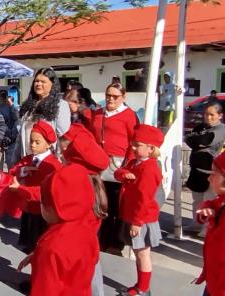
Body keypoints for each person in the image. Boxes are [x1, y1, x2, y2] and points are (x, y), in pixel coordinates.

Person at [17, 141, 107, 295]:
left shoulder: (52, 247)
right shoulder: (86, 232)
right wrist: (37, 255)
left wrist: (42, 255)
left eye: (43, 203)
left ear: (56, 208)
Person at [89, 82, 139, 256]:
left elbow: (134, 142)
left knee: (115, 205)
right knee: (98, 202)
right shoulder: (98, 113)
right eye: (108, 95)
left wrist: (128, 166)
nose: (110, 99)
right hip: (98, 164)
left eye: (115, 96)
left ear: (123, 97)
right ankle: (99, 238)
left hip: (117, 165)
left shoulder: (129, 115)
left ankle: (114, 242)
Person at [114, 124, 164, 296]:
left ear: (151, 149)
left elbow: (145, 198)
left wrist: (137, 222)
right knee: (138, 253)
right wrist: (122, 174)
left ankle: (143, 288)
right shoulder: (136, 162)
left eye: (137, 145)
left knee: (143, 254)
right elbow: (119, 172)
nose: (132, 147)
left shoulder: (149, 168)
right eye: (133, 144)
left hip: (141, 218)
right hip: (133, 215)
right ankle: (140, 285)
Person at [60, 123, 110, 296]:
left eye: (65, 150)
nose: (61, 154)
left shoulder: (79, 188)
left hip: (75, 251)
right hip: (88, 249)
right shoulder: (94, 186)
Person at [7, 120, 62, 253]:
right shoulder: (28, 159)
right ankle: (30, 244)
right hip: (28, 202)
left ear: (48, 144)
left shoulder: (53, 164)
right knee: (29, 223)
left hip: (42, 204)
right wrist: (23, 170)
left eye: (38, 142)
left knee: (40, 227)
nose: (33, 145)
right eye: (31, 141)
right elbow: (13, 170)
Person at [184, 101, 225, 236]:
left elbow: (206, 141)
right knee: (197, 199)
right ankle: (196, 224)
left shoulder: (221, 129)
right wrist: (196, 141)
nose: (208, 117)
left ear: (220, 116)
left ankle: (207, 228)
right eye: (206, 114)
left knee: (209, 200)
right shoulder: (201, 127)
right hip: (197, 171)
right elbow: (189, 139)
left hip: (211, 173)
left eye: (212, 115)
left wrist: (198, 141)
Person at [17, 67, 71, 161]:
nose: (38, 84)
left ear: (52, 84)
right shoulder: (28, 106)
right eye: (36, 81)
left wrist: (58, 160)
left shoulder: (61, 105)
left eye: (43, 81)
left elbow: (64, 137)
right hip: (28, 159)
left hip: (49, 161)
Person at [194, 152, 225, 296]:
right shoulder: (220, 200)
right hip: (214, 277)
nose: (209, 177)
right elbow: (213, 204)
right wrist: (207, 208)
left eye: (214, 174)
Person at [0, 92, 18, 171]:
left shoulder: (7, 106)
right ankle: (6, 176)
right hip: (6, 136)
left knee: (8, 159)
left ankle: (6, 176)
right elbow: (16, 118)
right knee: (5, 160)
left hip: (8, 135)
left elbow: (15, 117)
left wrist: (11, 105)